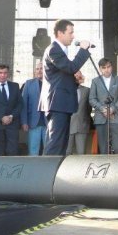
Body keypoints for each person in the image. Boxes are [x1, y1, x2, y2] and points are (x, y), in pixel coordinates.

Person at [39, 19, 92, 155]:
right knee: (55, 143)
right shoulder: (54, 50)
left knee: (61, 143)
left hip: (61, 103)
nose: (73, 36)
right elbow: (71, 67)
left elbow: (61, 77)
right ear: (60, 33)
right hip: (57, 103)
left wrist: (75, 82)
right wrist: (83, 50)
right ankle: (48, 167)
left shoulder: (60, 51)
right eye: (70, 32)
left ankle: (56, 167)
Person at [89, 58, 118, 154]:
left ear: (112, 67)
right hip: (101, 118)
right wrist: (103, 109)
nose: (106, 69)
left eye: (108, 67)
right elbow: (92, 99)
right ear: (100, 69)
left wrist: (112, 109)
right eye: (104, 67)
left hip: (116, 117)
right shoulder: (95, 81)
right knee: (103, 149)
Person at [0, 64, 23, 156]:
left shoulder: (15, 86)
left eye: (5, 73)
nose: (3, 75)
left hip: (12, 124)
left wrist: (11, 116)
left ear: (8, 74)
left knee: (12, 152)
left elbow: (20, 104)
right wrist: (1, 117)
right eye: (0, 73)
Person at [21, 62, 47, 156]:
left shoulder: (52, 83)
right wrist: (24, 122)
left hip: (49, 123)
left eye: (41, 68)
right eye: (37, 69)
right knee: (33, 151)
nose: (39, 71)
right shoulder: (29, 83)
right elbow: (23, 104)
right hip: (33, 123)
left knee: (49, 151)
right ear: (34, 71)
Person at [67, 71, 92, 155]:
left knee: (81, 153)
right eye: (75, 75)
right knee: (66, 153)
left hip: (82, 125)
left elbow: (88, 109)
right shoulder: (65, 90)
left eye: (79, 75)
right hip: (67, 126)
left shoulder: (87, 90)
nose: (77, 76)